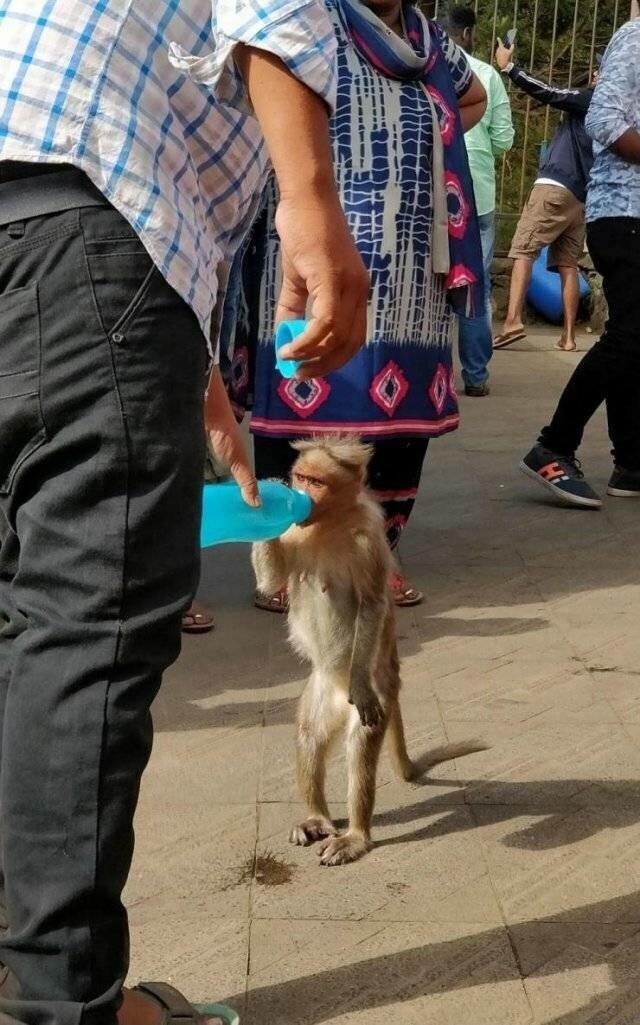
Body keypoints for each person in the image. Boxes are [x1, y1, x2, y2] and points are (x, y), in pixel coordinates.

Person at [0, 3, 369, 1025]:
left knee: (14, 627)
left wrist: (198, 372)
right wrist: (314, 209)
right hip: (84, 203)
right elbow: (275, 13)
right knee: (85, 629)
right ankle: (61, 1004)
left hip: (52, 228)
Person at [229, 0, 487, 612]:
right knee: (294, 404)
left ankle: (376, 553)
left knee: (401, 422)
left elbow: (469, 99)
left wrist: (425, 136)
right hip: (310, 245)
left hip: (413, 261)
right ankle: (287, 558)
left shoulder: (431, 44)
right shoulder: (309, 21)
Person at [520, 18, 640, 508]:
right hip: (626, 212)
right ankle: (554, 445)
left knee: (634, 339)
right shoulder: (636, 39)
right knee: (631, 336)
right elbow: (604, 120)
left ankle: (631, 464)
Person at [493, 40, 596, 352]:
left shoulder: (590, 98)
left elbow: (550, 93)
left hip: (555, 186)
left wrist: (510, 68)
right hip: (580, 197)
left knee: (523, 250)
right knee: (567, 264)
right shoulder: (621, 109)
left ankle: (512, 319)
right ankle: (568, 336)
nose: (593, 73)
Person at [445, 6, 514, 397]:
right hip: (479, 193)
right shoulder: (485, 75)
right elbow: (504, 139)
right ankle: (475, 375)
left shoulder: (424, 65)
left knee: (429, 279)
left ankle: (429, 371)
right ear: (468, 33)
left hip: (436, 185)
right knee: (475, 284)